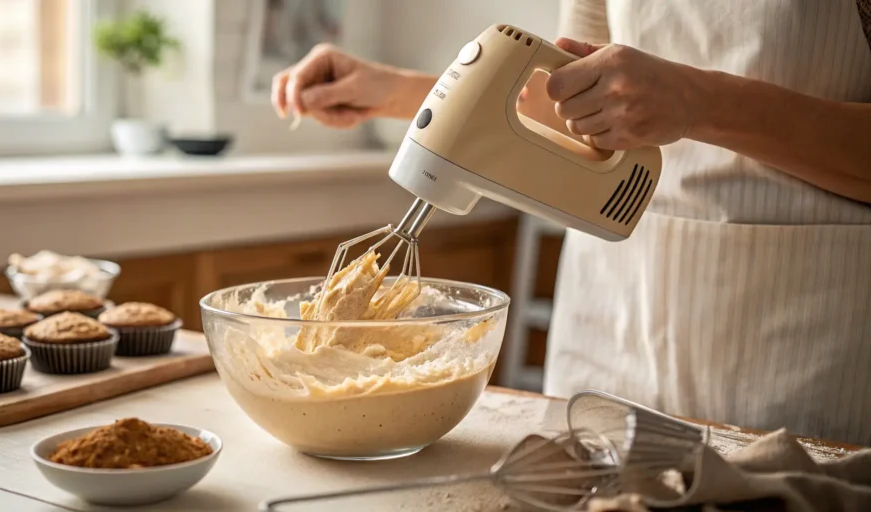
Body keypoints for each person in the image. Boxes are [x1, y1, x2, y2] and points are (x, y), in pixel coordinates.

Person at [271, 1, 871, 446]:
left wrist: (700, 100)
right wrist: (393, 91)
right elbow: (569, 99)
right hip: (617, 314)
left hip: (800, 325)